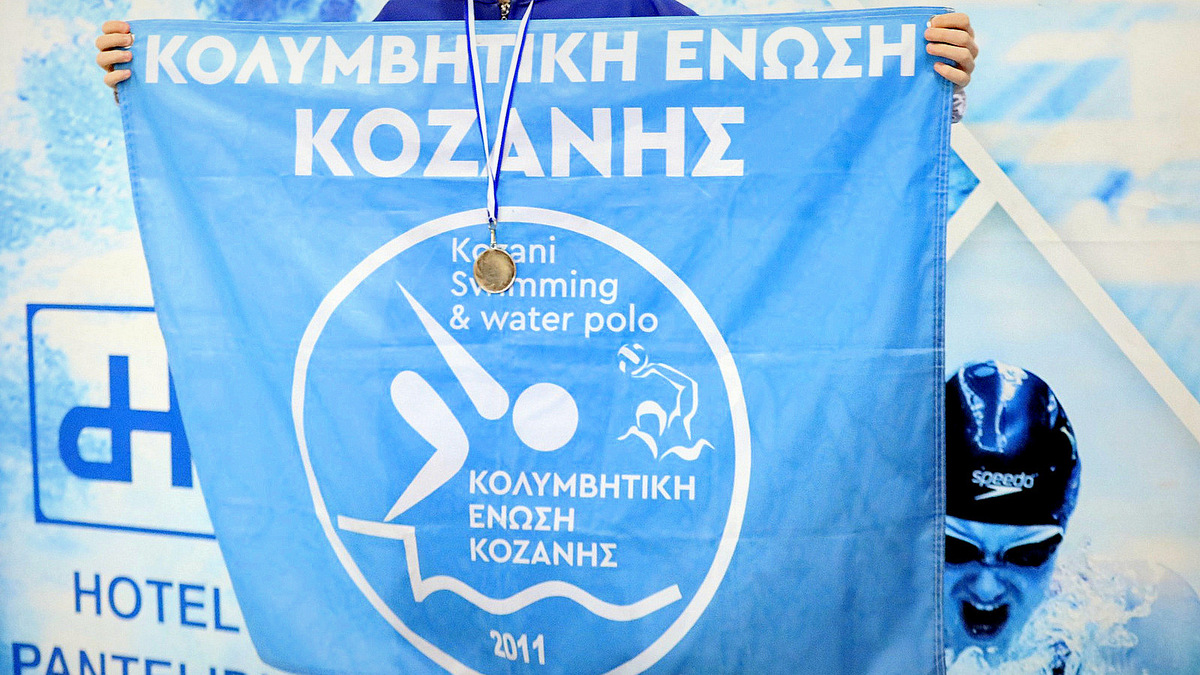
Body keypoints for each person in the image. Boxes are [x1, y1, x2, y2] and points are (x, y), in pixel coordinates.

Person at [94, 2, 978, 109]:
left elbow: (773, 103)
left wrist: (917, 79)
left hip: (599, 331)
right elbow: (296, 124)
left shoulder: (634, 8)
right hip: (452, 324)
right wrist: (161, 81)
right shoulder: (411, 16)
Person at [945, 360, 1200, 673]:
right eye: (955, 548)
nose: (987, 587)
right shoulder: (885, 627)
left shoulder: (1140, 627)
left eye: (1027, 554)